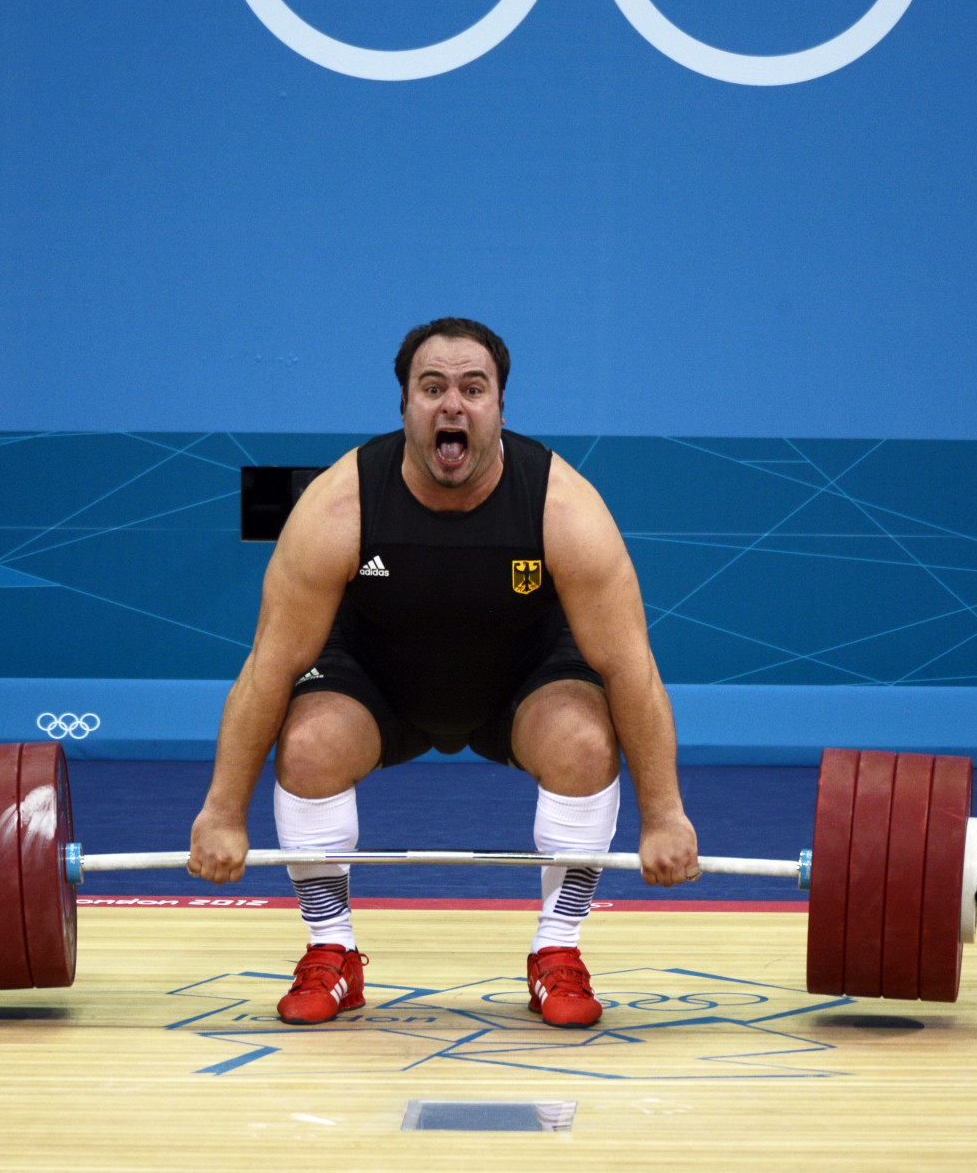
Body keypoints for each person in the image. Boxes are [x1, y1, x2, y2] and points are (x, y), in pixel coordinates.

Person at [187, 318, 699, 1028]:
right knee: (307, 746)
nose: (451, 404)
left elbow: (631, 668)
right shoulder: (340, 506)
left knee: (585, 742)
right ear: (404, 408)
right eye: (432, 388)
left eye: (472, 388)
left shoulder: (563, 508)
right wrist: (221, 812)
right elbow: (268, 667)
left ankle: (558, 947)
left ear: (499, 408)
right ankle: (331, 948)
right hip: (375, 680)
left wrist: (666, 814)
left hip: (524, 682)